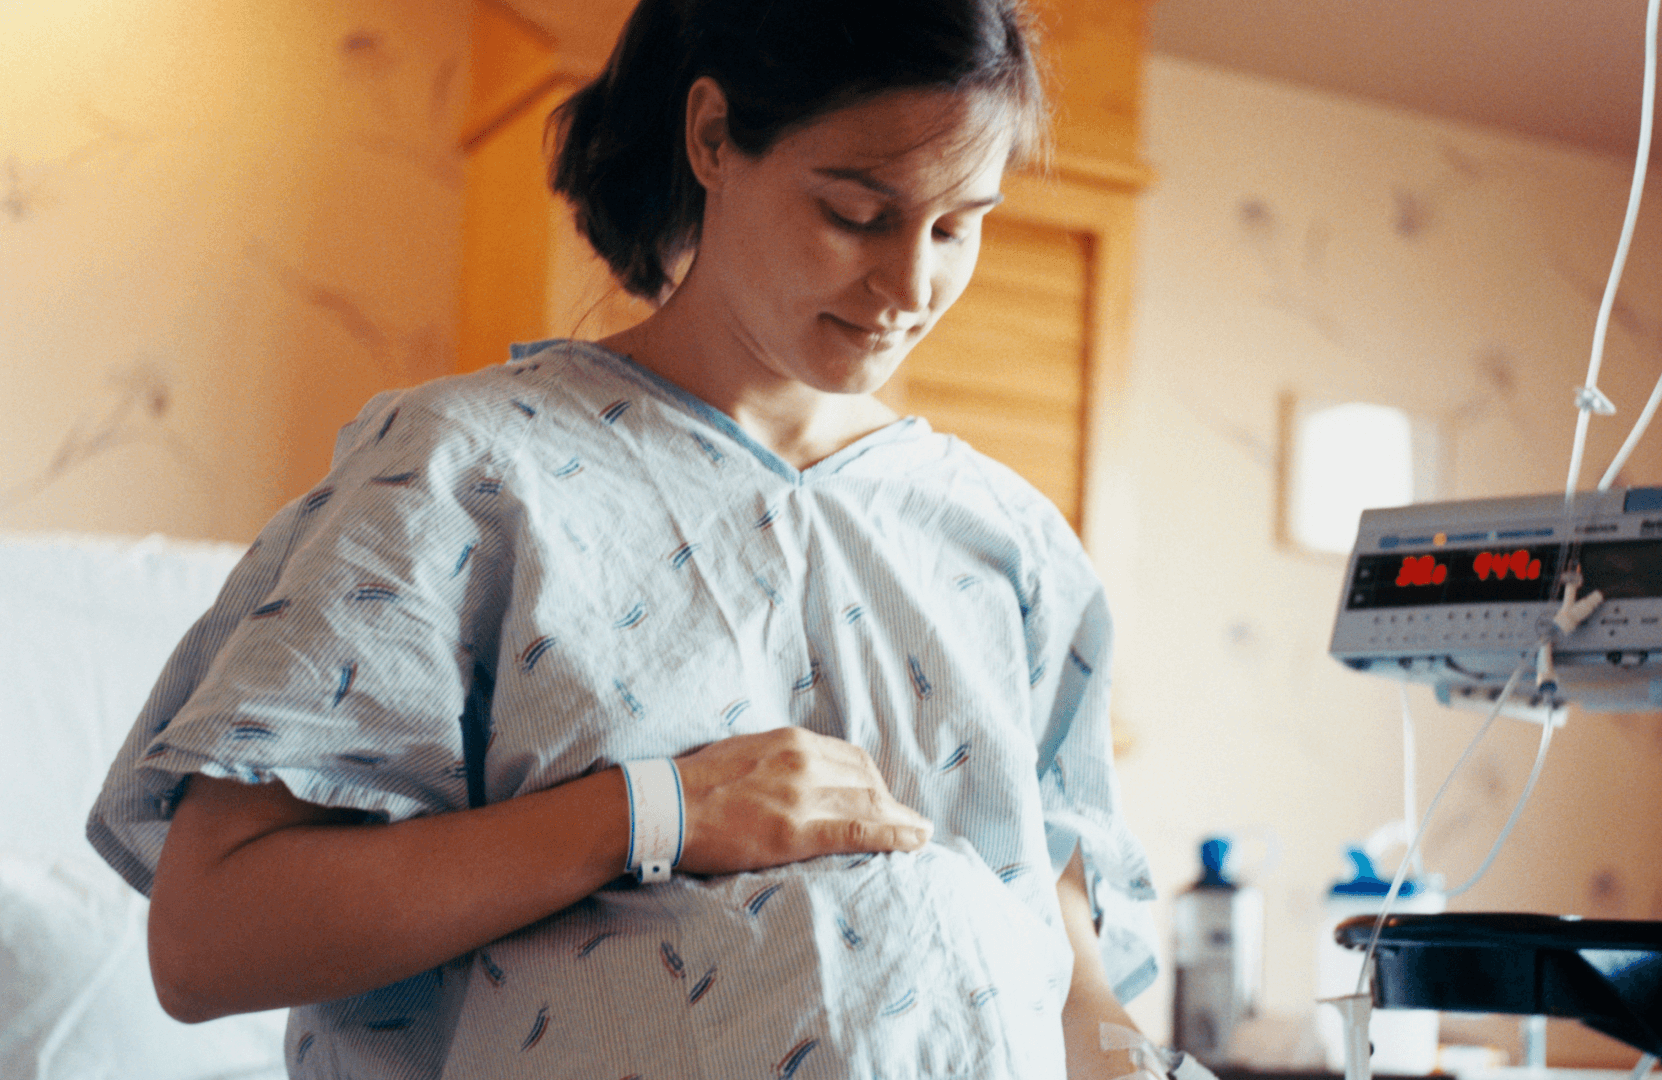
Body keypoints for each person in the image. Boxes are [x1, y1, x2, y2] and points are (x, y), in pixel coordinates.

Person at [89, 1, 1201, 1077]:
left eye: (959, 226)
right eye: (858, 213)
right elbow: (208, 941)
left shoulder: (1009, 539)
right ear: (714, 136)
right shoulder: (466, 471)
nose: (912, 284)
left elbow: (1065, 958)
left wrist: (1124, 1063)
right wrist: (656, 811)